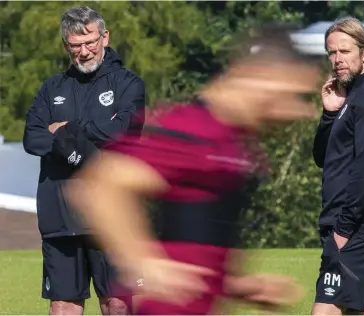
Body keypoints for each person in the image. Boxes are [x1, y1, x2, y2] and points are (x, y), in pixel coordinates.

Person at [65, 27, 319, 314]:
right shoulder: (194, 129)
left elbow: (194, 243)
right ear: (262, 76)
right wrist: (142, 259)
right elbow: (99, 187)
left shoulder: (235, 144)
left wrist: (238, 286)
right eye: (294, 95)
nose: (301, 112)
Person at [22, 6, 145, 315]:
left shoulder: (128, 84)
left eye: (90, 42)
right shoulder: (52, 88)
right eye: (76, 45)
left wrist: (63, 131)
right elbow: (32, 138)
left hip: (112, 215)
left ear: (105, 37)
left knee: (117, 302)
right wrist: (85, 138)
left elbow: (121, 131)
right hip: (61, 216)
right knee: (63, 305)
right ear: (67, 46)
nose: (85, 51)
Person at [311, 16, 364, 315]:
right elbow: (324, 158)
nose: (337, 60)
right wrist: (328, 116)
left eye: (344, 52)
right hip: (349, 229)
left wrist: (343, 231)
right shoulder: (352, 98)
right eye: (331, 53)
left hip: (354, 230)